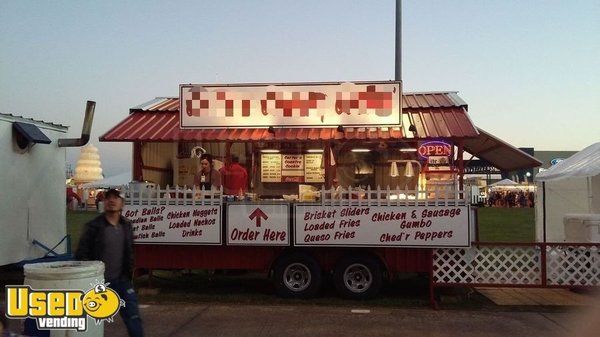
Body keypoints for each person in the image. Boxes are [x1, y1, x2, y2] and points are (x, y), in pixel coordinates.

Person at [76, 189, 144, 337]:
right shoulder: (94, 227)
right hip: (98, 284)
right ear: (104, 202)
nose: (112, 201)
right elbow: (81, 255)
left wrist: (129, 273)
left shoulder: (126, 226)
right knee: (89, 322)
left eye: (116, 198)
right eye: (108, 198)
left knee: (133, 318)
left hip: (122, 281)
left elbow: (130, 251)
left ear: (122, 203)